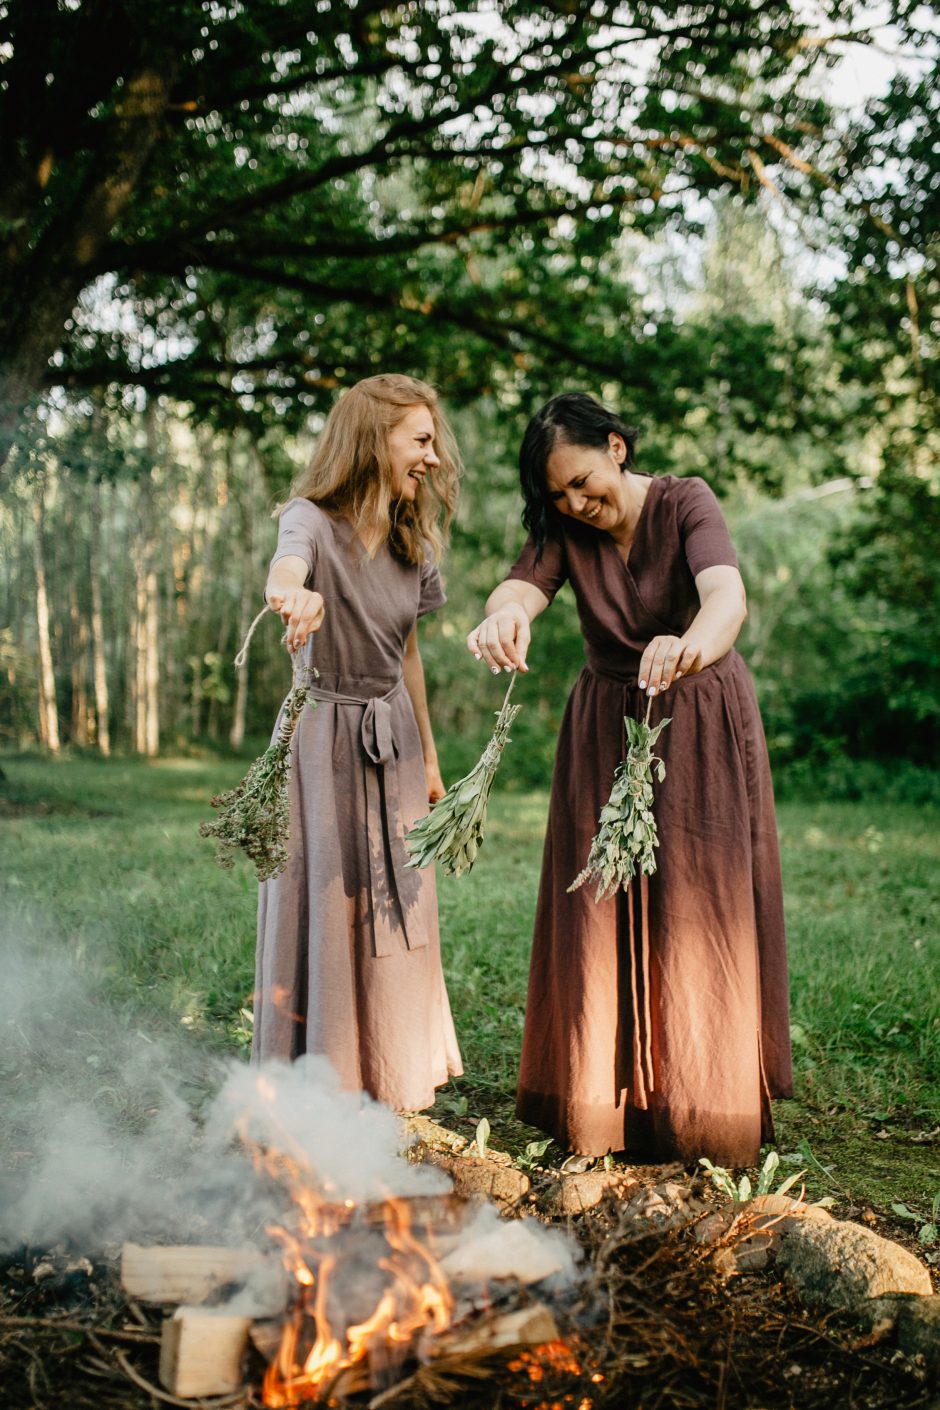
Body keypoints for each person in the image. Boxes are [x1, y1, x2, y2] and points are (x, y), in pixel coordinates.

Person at [467, 392, 793, 1168]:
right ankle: (600, 1108)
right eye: (558, 495)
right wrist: (502, 615)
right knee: (599, 906)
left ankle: (705, 1110)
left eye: (582, 480)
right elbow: (520, 587)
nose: (576, 503)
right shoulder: (562, 530)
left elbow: (726, 597)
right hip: (604, 729)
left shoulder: (686, 502)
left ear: (616, 446)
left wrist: (688, 647)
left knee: (696, 903)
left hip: (698, 720)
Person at [253, 373, 463, 1113]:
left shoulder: (412, 545)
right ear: (373, 442)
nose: (433, 458)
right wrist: (293, 593)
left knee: (396, 900)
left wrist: (432, 760)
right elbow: (288, 566)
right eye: (420, 441)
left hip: (394, 739)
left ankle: (394, 1066)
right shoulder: (308, 520)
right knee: (323, 897)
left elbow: (407, 655)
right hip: (320, 736)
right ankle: (318, 1071)